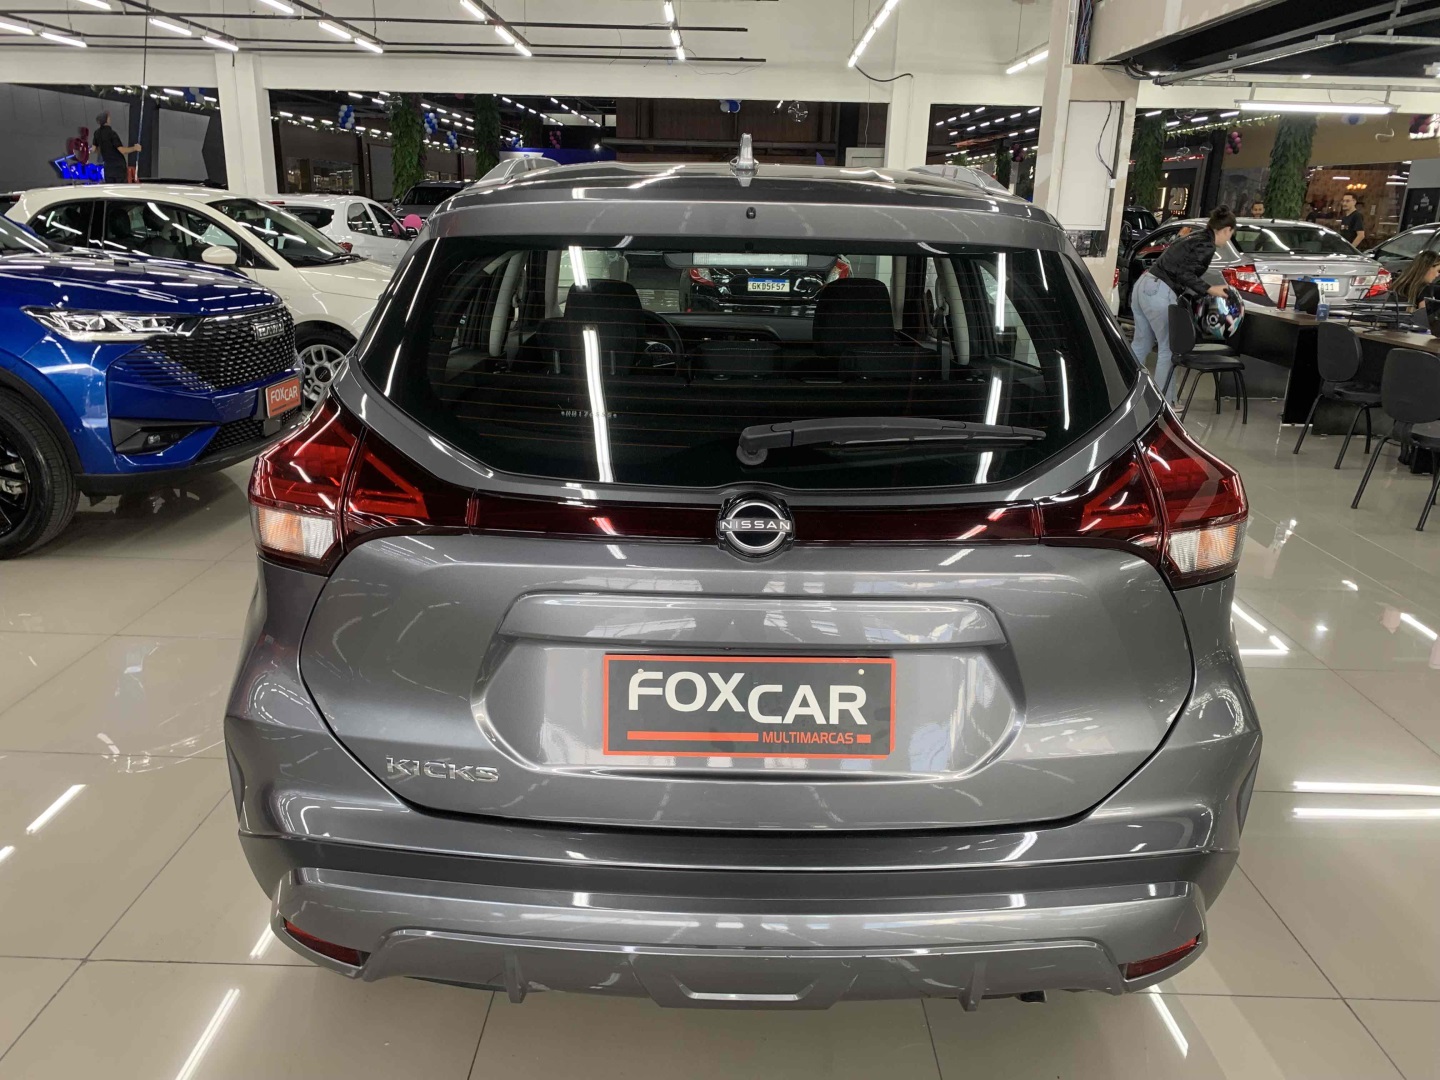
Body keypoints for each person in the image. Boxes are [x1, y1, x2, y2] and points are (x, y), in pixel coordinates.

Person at [1130, 205, 1238, 401]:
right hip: (1160, 290)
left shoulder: (1195, 236)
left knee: (1141, 343)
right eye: (1231, 233)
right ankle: (1164, 401)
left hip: (1144, 285)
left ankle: (1124, 390)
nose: (1229, 238)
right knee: (1168, 349)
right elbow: (1184, 273)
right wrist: (1210, 289)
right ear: (1226, 230)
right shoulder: (1207, 245)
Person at [1388, 250, 1440, 331]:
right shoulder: (1425, 289)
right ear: (1428, 268)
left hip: (1391, 329)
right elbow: (1426, 320)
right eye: (1438, 271)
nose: (1438, 275)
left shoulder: (1398, 283)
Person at [90, 112, 140, 184]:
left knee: (110, 187)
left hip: (108, 167)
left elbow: (93, 149)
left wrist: (105, 149)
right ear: (107, 120)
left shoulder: (97, 133)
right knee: (120, 187)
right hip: (118, 167)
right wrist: (135, 148)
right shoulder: (112, 133)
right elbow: (122, 150)